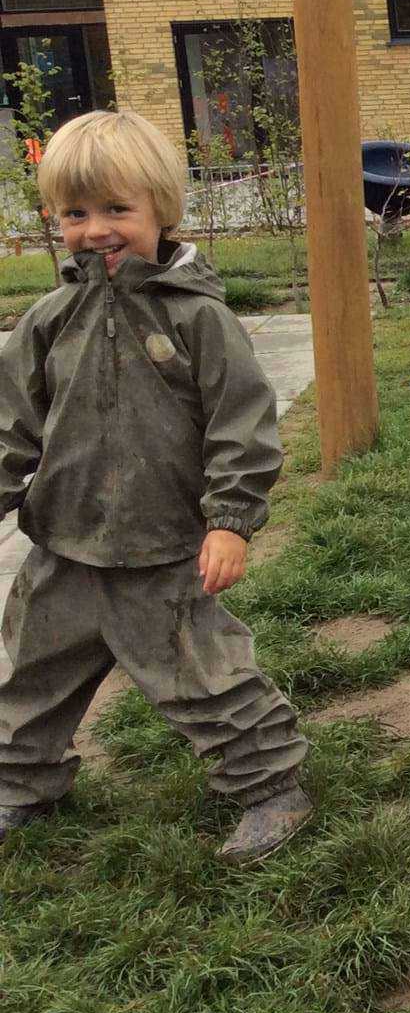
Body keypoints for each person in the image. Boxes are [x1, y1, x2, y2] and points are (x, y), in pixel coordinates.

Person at [0, 111, 311, 861]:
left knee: (205, 678)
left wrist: (231, 520)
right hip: (64, 548)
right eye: (77, 214)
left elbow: (242, 423)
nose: (96, 230)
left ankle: (271, 787)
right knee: (27, 681)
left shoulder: (199, 318)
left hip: (166, 547)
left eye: (117, 210)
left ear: (161, 211)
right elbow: (11, 423)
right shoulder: (48, 321)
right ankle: (19, 790)